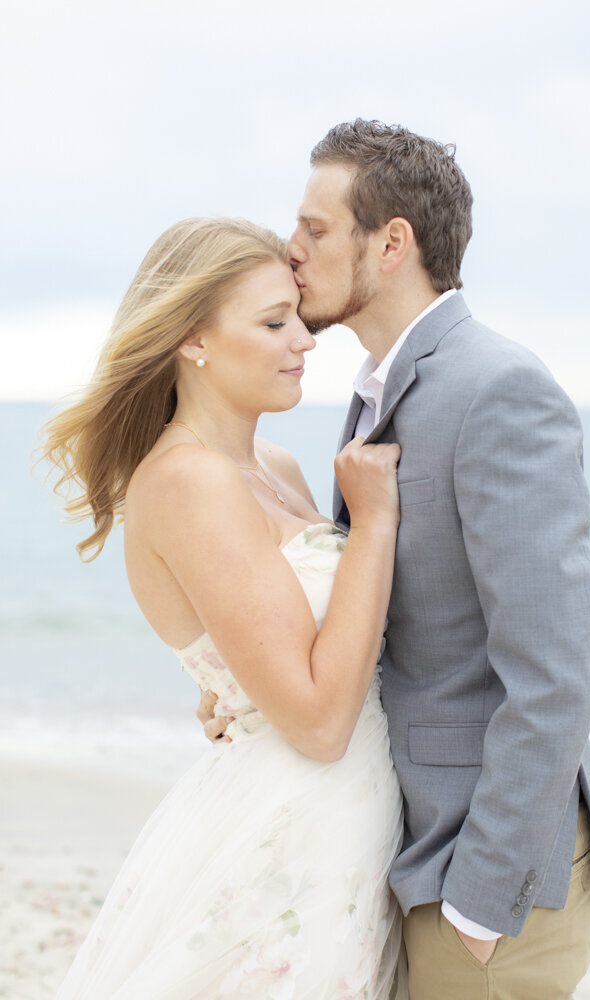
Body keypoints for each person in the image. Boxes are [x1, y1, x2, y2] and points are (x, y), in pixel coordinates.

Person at [202, 120, 590, 999]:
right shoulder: (379, 392)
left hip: (483, 879)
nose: (292, 247)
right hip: (407, 850)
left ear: (391, 243)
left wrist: (478, 902)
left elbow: (554, 671)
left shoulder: (497, 388)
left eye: (315, 229)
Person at [43, 217, 408, 998]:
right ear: (192, 340)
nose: (304, 341)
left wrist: (229, 696)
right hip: (290, 830)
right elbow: (314, 721)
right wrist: (373, 524)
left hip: (345, 820)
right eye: (273, 323)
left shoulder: (270, 466)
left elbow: (289, 645)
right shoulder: (188, 482)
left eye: (298, 319)